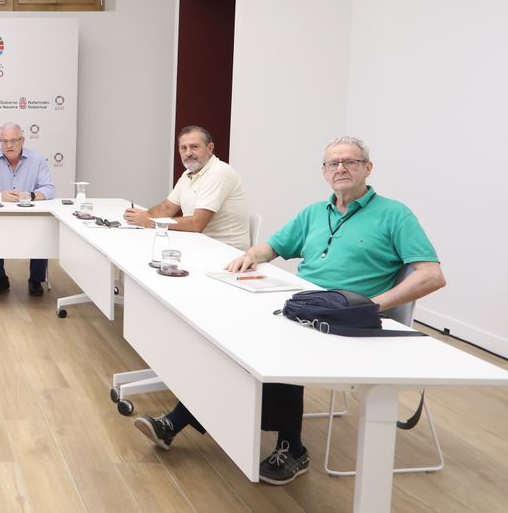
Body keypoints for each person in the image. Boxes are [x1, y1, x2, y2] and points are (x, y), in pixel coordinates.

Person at [132, 136, 445, 485]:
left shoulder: (395, 214)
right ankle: (185, 419)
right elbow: (274, 245)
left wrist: (375, 305)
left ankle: (290, 447)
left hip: (348, 317)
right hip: (302, 303)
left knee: (279, 347)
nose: (340, 168)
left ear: (367, 168)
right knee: (226, 336)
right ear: (324, 172)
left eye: (350, 162)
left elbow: (432, 276)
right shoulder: (315, 212)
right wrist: (253, 255)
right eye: (332, 163)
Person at [124, 125, 251, 251]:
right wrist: (144, 216)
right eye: (183, 148)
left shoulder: (218, 173)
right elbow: (166, 207)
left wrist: (151, 222)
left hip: (226, 253)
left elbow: (197, 224)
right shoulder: (188, 174)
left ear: (210, 148)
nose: (188, 153)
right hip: (200, 245)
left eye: (194, 147)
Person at [0, 122, 56, 296]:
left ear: (22, 140)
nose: (8, 146)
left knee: (42, 231)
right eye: (4, 141)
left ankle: (36, 280)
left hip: (30, 216)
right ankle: (0, 278)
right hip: (0, 217)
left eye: (13, 141)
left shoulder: (37, 159)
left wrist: (28, 195)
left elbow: (49, 189)